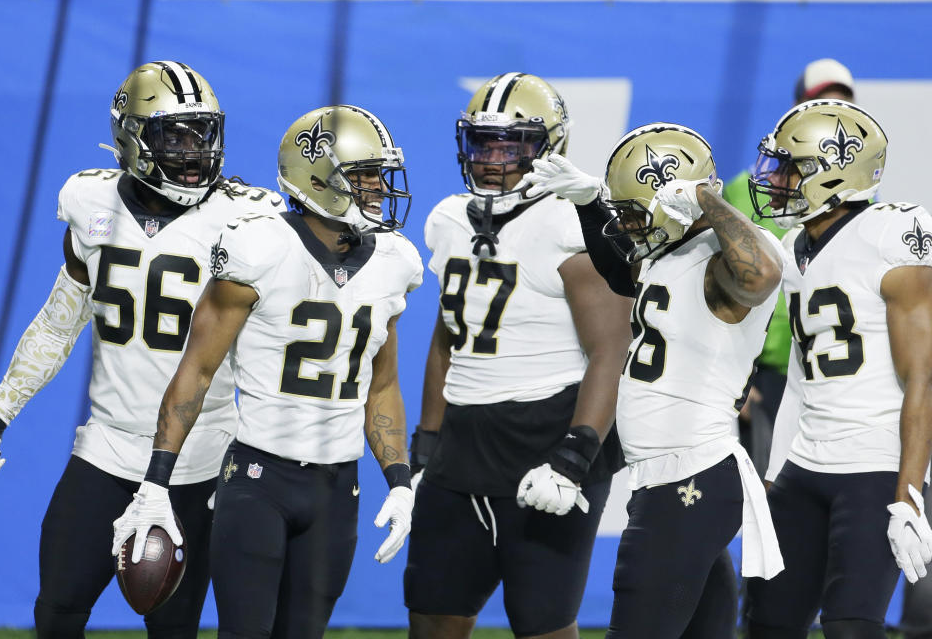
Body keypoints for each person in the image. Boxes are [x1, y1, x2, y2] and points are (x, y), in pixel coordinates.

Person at [0, 61, 284, 638]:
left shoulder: (244, 217)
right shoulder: (89, 203)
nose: (195, 152)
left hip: (199, 459)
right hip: (107, 449)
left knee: (172, 626)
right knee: (57, 609)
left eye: (204, 134)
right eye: (175, 136)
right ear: (132, 137)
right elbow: (59, 321)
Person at [111, 104, 423, 639]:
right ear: (320, 178)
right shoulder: (259, 246)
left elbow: (384, 385)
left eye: (378, 173)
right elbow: (196, 371)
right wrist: (154, 484)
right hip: (260, 477)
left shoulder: (396, 261)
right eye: (364, 174)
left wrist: (399, 481)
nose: (377, 187)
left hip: (337, 488)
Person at [525, 122, 786, 638]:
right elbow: (620, 270)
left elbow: (763, 274)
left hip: (689, 477)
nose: (626, 227)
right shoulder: (671, 255)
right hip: (675, 477)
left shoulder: (724, 261)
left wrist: (706, 197)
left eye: (634, 215)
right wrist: (589, 203)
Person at [403, 73, 635, 639]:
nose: (493, 159)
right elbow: (447, 336)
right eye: (484, 143)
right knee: (433, 613)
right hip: (460, 443)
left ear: (550, 146)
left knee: (542, 623)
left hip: (545, 435)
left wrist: (575, 456)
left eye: (514, 144)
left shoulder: (567, 223)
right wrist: (425, 444)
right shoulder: (448, 218)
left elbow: (611, 350)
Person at [743, 99, 932, 639]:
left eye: (789, 168)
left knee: (851, 626)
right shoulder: (792, 246)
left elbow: (924, 374)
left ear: (834, 173)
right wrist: (776, 471)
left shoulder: (894, 232)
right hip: (805, 464)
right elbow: (804, 377)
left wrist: (911, 494)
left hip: (873, 465)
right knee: (767, 622)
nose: (775, 180)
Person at [724, 58, 856, 480]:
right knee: (764, 501)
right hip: (764, 372)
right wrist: (735, 378)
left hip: (827, 367)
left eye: (843, 103)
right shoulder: (750, 189)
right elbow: (725, 285)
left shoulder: (862, 196)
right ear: (798, 108)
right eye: (823, 102)